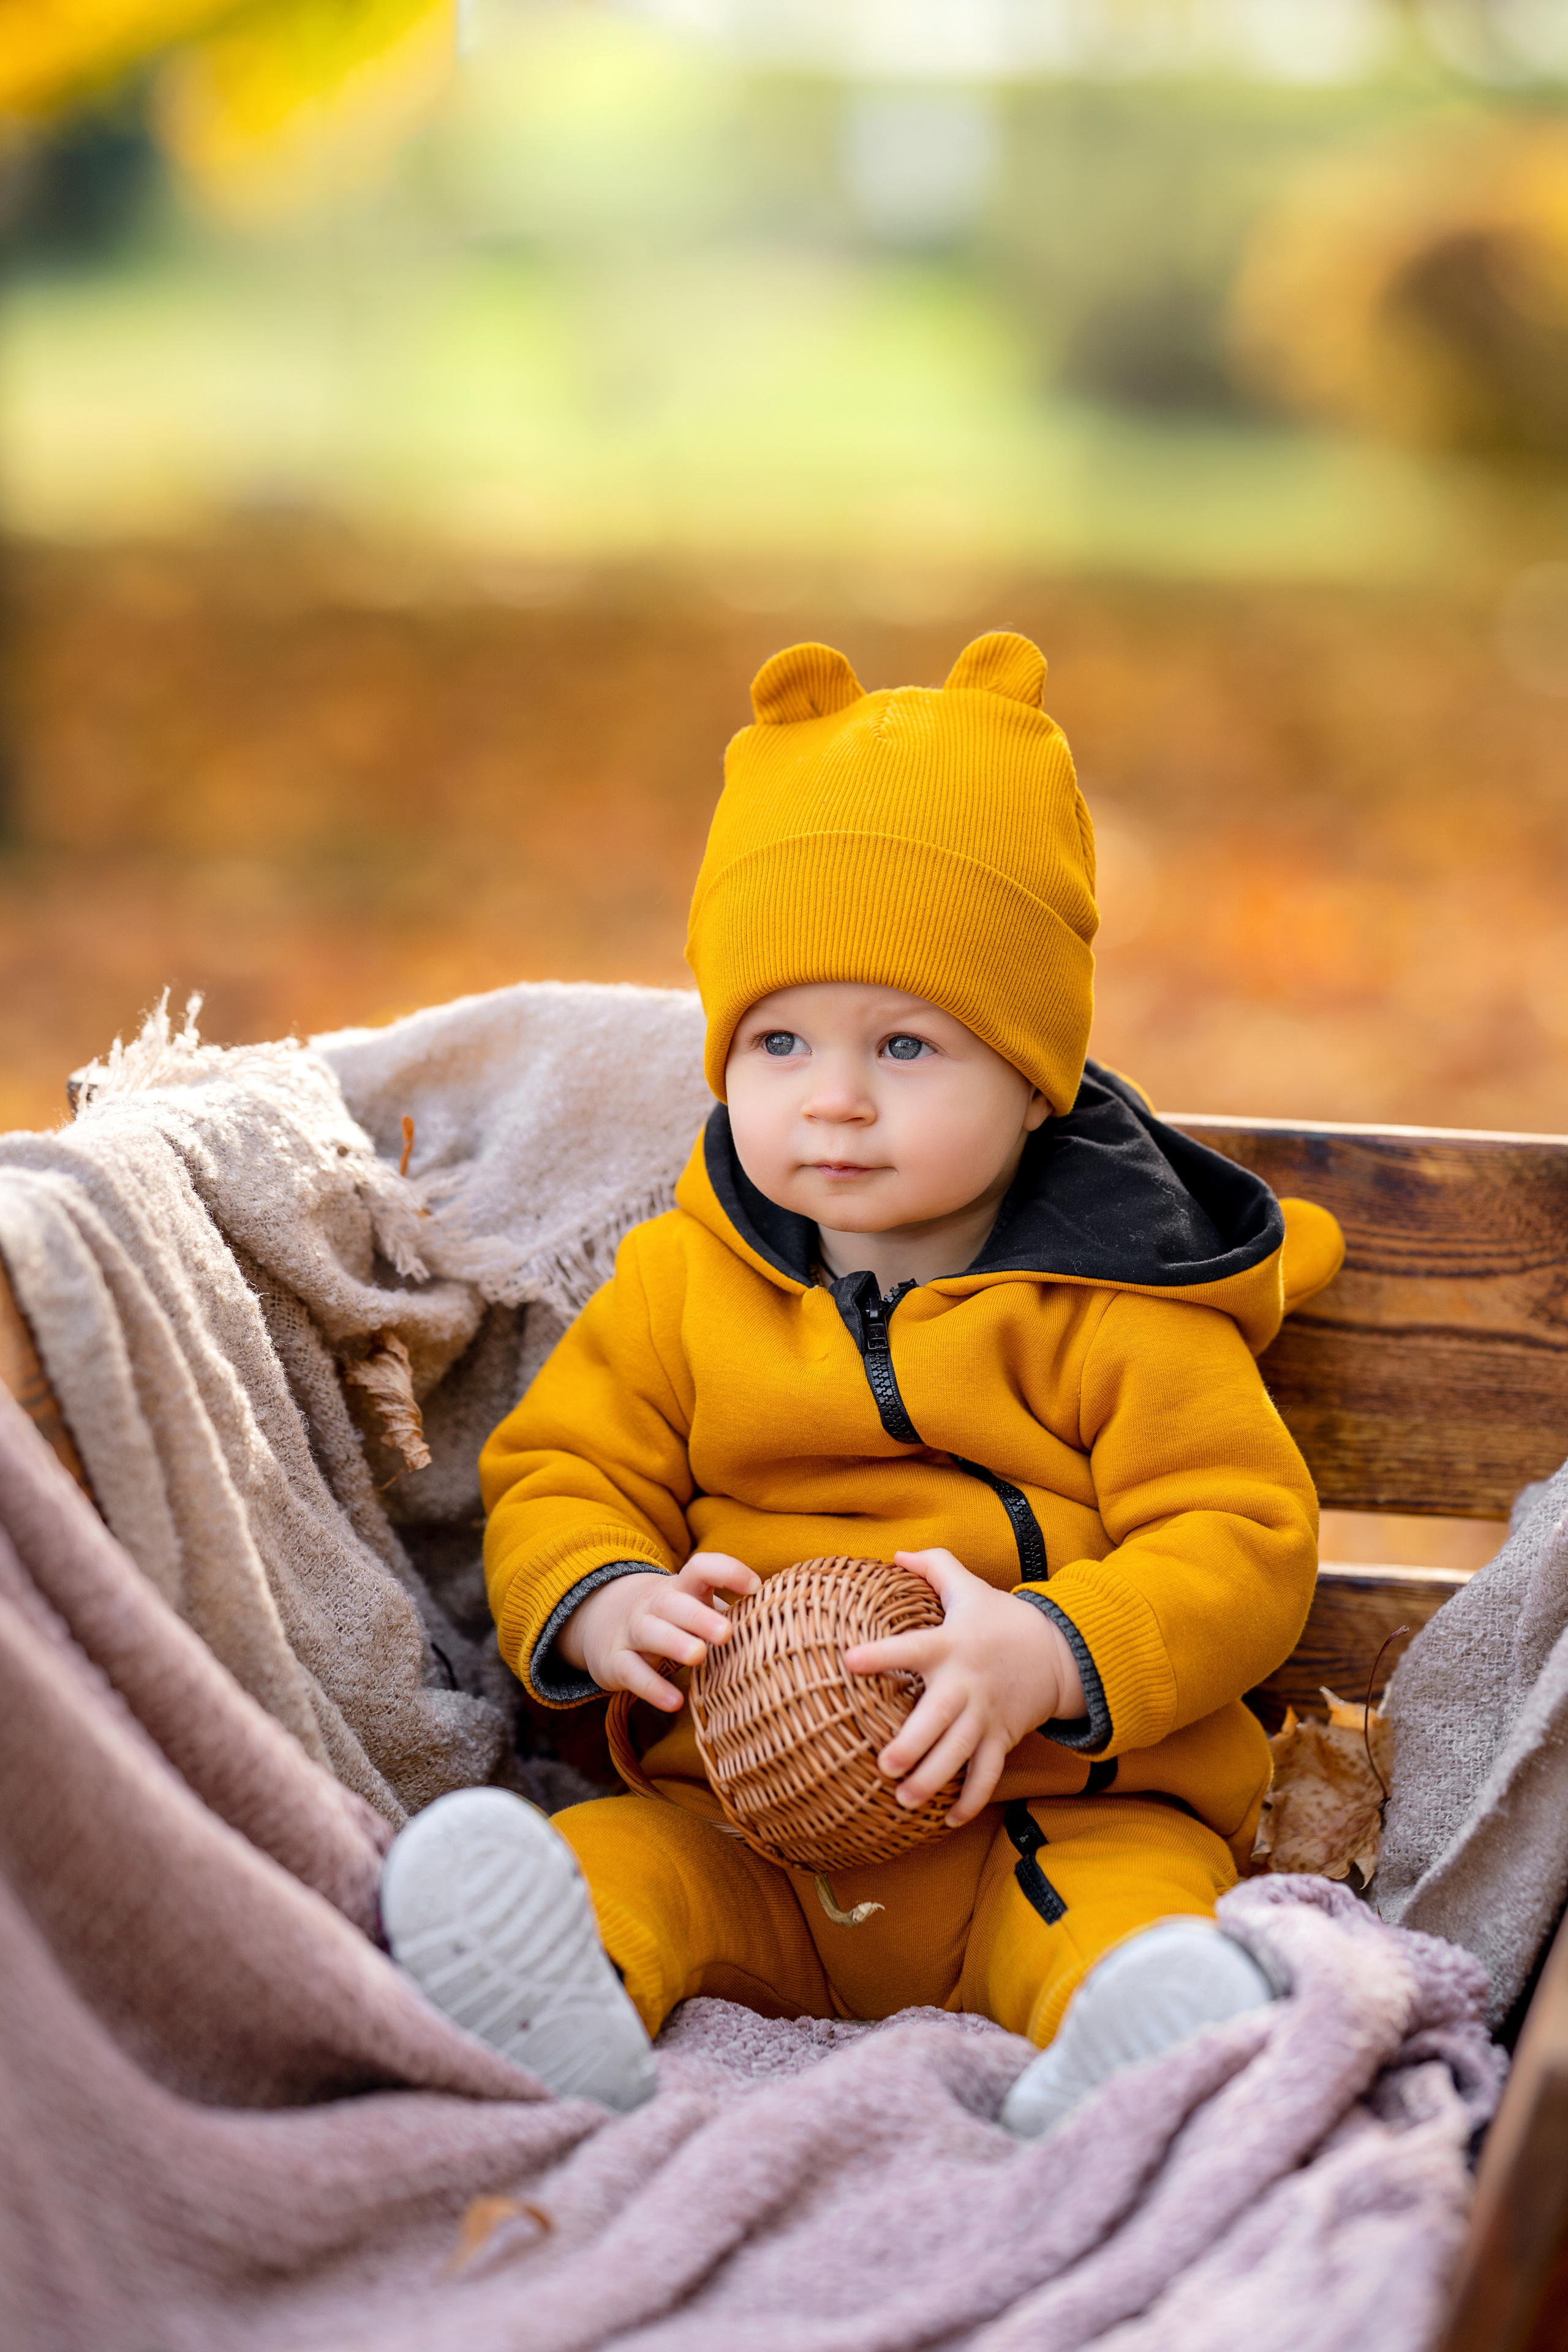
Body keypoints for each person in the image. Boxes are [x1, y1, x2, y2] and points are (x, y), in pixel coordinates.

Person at [379, 630, 1343, 2130]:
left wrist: (1054, 1650)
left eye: (904, 1043)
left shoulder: (1117, 1311)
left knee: (1124, 1917)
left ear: (1033, 1076)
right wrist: (602, 1598)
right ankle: (540, 1990)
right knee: (628, 1871)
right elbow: (558, 1469)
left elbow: (1242, 1538)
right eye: (777, 1041)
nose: (831, 1098)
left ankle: (1130, 2050)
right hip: (749, 1823)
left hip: (1044, 1815)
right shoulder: (683, 1284)